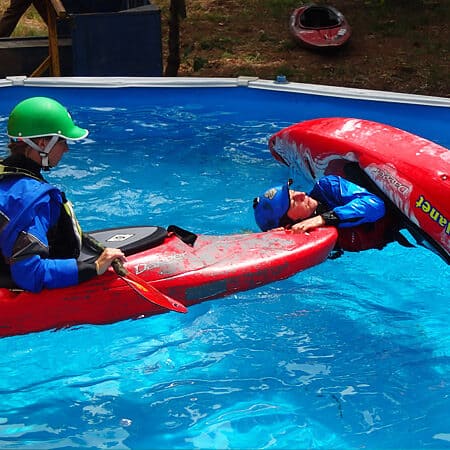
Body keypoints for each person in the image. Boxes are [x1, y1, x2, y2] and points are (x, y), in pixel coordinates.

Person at [0, 96, 125, 292]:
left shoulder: (7, 178)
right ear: (42, 144)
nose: (66, 148)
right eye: (62, 141)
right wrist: (95, 267)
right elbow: (30, 274)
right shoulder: (33, 201)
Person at [253, 175, 398, 253]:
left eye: (292, 192)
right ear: (289, 223)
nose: (301, 194)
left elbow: (376, 205)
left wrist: (323, 219)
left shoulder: (328, 187)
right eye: (293, 201)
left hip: (398, 217)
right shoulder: (304, 237)